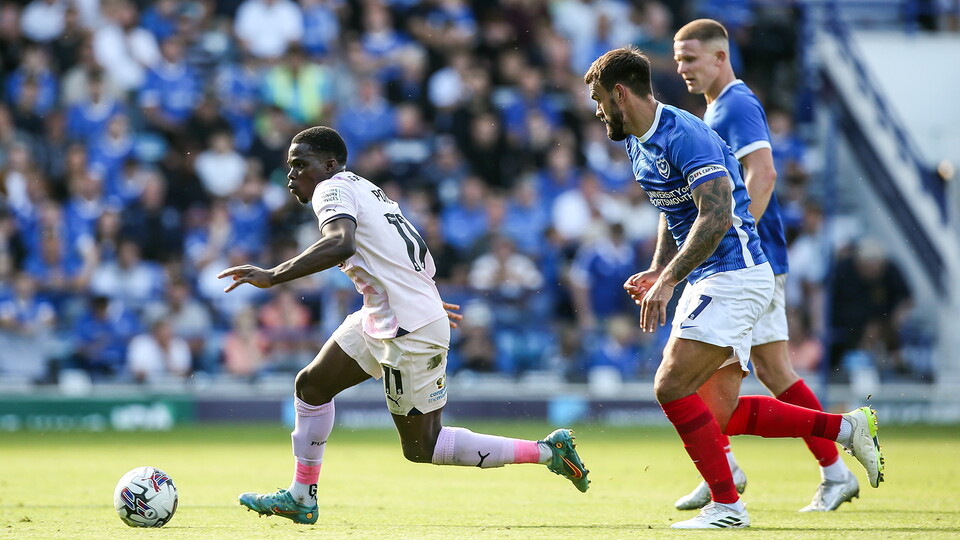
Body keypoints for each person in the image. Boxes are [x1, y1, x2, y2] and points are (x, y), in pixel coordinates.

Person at [218, 126, 589, 525]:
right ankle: (302, 496)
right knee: (311, 385)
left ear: (328, 165)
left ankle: (548, 451)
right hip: (386, 313)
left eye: (299, 165)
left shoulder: (331, 189)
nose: (291, 176)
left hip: (407, 328)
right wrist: (420, 292)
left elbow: (341, 242)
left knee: (422, 447)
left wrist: (273, 275)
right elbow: (409, 252)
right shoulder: (366, 188)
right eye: (289, 168)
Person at [583, 46, 883, 529]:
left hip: (735, 273)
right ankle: (845, 429)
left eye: (600, 101)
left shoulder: (685, 133)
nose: (598, 112)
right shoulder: (637, 143)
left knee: (670, 385)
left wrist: (669, 281)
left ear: (621, 93)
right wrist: (660, 267)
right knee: (713, 415)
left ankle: (727, 506)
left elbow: (717, 214)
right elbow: (674, 209)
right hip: (710, 277)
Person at [671, 18, 856, 512]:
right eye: (677, 60)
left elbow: (764, 174)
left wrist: (736, 238)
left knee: (707, 370)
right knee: (767, 369)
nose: (682, 68)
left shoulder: (735, 104)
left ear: (719, 56)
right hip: (752, 256)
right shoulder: (715, 109)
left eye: (690, 58)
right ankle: (829, 471)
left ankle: (731, 473)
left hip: (750, 258)